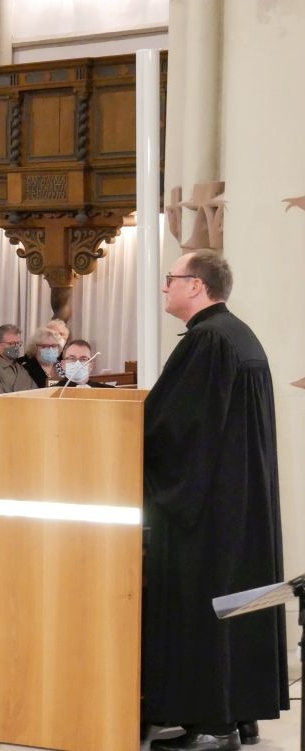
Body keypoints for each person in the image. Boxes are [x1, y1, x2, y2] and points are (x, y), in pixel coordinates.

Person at [144, 251, 288, 751]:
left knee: (200, 603)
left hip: (206, 510)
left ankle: (210, 724)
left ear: (197, 286)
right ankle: (239, 714)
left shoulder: (207, 342)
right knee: (236, 603)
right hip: (240, 502)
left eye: (172, 279)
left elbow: (176, 428)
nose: (166, 287)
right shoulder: (236, 334)